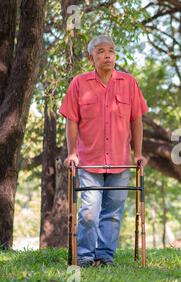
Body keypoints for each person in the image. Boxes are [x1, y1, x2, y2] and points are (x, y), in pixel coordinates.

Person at [59, 35, 148, 267]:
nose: (107, 55)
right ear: (91, 58)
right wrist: (72, 153)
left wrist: (138, 153)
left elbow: (136, 119)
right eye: (100, 51)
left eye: (111, 50)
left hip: (121, 161)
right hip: (89, 160)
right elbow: (71, 120)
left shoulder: (129, 83)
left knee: (114, 213)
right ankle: (86, 258)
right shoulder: (79, 83)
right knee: (89, 212)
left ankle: (105, 257)